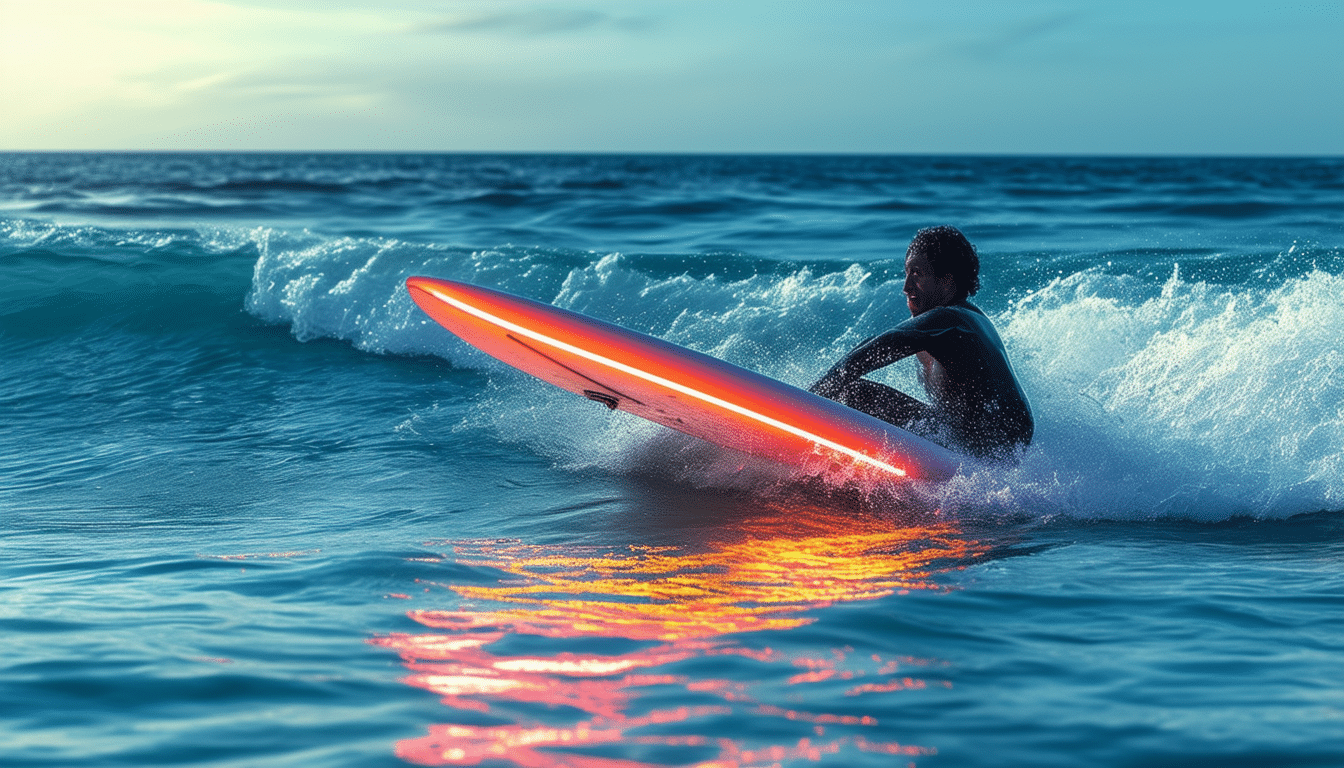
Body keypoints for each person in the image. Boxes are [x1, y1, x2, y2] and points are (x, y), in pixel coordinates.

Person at [809, 226, 1033, 461]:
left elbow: (886, 344)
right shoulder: (947, 322)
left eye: (917, 274)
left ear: (947, 280)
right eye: (907, 273)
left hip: (988, 455)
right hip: (965, 442)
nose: (906, 287)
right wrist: (820, 388)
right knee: (850, 390)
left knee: (853, 394)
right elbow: (875, 342)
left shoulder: (952, 320)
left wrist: (811, 398)